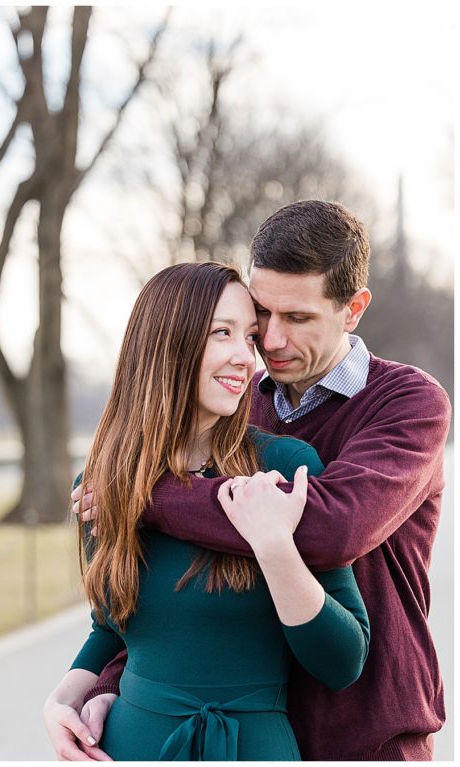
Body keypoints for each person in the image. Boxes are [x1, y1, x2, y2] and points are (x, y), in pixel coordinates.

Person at [61, 200, 450, 760]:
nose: (269, 342)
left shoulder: (408, 403)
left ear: (354, 309)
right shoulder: (237, 414)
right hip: (262, 725)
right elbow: (172, 601)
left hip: (367, 730)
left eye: (297, 318)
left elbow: (327, 528)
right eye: (261, 315)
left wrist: (138, 492)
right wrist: (101, 688)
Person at [42, 261, 369, 760]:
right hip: (129, 748)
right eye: (223, 333)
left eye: (250, 337)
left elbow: (343, 661)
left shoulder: (281, 467)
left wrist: (274, 545)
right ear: (165, 344)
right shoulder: (100, 485)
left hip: (253, 748)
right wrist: (62, 698)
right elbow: (108, 625)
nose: (246, 357)